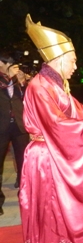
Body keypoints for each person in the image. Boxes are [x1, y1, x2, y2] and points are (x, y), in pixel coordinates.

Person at [20, 14, 83, 243]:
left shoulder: (56, 85)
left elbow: (80, 111)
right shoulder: (39, 86)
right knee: (51, 211)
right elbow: (57, 126)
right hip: (45, 158)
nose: (76, 66)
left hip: (53, 154)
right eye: (73, 61)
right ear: (59, 59)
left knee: (59, 212)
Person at [0, 52, 29, 216]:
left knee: (24, 161)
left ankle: (25, 195)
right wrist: (10, 77)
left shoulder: (16, 79)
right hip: (1, 126)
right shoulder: (5, 79)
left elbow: (27, 96)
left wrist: (23, 82)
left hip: (19, 125)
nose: (14, 68)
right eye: (10, 65)